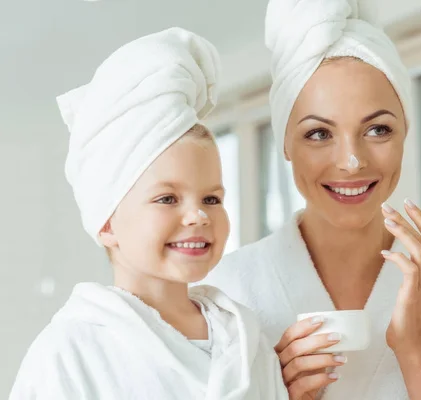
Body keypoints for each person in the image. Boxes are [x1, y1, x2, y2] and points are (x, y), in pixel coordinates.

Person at [203, 1, 421, 399]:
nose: (351, 161)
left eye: (378, 129)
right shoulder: (228, 295)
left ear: (405, 135)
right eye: (318, 133)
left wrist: (415, 347)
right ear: (285, 144)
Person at [10, 27, 287, 400]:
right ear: (106, 222)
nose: (198, 216)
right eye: (168, 199)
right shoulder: (69, 351)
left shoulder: (246, 337)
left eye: (211, 199)